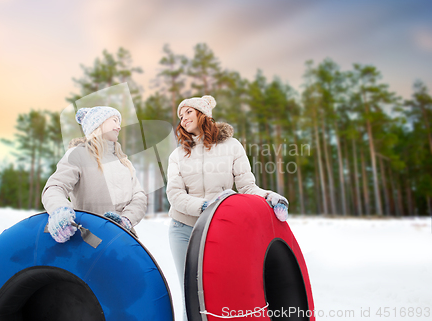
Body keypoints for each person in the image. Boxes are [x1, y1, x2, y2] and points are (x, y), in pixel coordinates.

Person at [166, 95, 289, 320]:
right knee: (190, 294)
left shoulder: (232, 146)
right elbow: (175, 195)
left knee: (220, 289)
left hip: (217, 230)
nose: (183, 119)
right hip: (183, 229)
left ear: (203, 113)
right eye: (180, 116)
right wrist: (206, 206)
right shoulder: (178, 154)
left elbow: (247, 186)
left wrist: (269, 196)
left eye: (188, 112)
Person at [42, 106, 147, 243]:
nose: (119, 127)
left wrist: (126, 220)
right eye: (114, 121)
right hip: (89, 240)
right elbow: (55, 187)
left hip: (122, 239)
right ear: (99, 123)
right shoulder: (78, 155)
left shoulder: (124, 163)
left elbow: (139, 197)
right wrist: (60, 210)